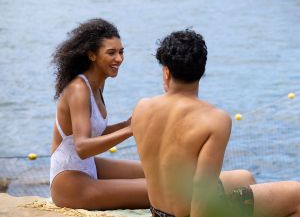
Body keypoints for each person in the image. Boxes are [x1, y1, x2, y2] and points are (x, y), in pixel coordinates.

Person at [132, 29, 300, 217]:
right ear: (201, 70)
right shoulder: (215, 119)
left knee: (245, 177)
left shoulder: (142, 107)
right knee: (296, 193)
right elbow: (202, 189)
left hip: (159, 212)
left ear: (166, 72)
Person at [50, 18, 149, 210]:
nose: (119, 58)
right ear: (92, 55)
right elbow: (83, 147)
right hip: (69, 183)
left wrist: (128, 123)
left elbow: (96, 133)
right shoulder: (79, 89)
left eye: (121, 52)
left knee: (158, 171)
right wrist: (129, 130)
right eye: (111, 53)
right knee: (162, 189)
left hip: (87, 167)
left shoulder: (97, 84)